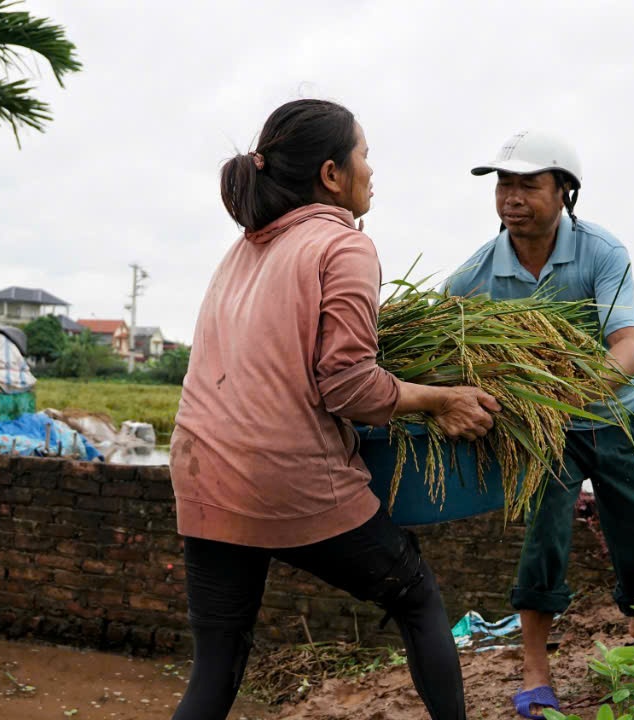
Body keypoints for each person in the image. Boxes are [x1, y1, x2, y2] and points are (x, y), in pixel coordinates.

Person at [169, 99, 499, 720]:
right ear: (331, 174)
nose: (372, 171)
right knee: (418, 598)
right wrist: (439, 399)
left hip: (200, 469)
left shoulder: (241, 251)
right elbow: (348, 386)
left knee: (217, 660)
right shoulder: (342, 246)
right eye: (364, 156)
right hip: (283, 473)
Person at [446, 130, 634, 719]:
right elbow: (442, 331)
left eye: (529, 184)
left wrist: (563, 390)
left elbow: (628, 344)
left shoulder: (601, 252)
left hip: (624, 414)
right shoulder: (480, 271)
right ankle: (535, 669)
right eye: (504, 184)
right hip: (551, 430)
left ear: (565, 192)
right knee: (545, 533)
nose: (511, 197)